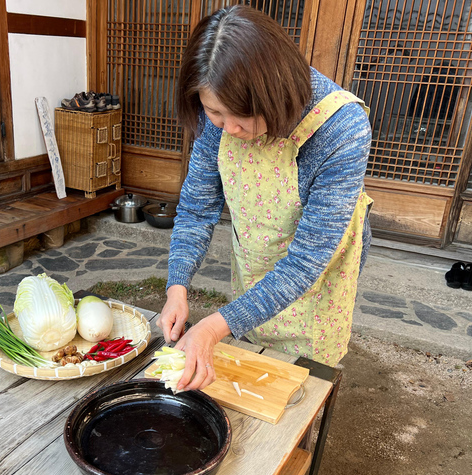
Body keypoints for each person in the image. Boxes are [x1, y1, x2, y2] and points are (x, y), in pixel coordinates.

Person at [157, 5, 373, 392]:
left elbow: (306, 262)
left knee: (301, 390)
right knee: (251, 375)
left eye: (243, 117)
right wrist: (177, 287)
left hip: (315, 283)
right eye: (215, 114)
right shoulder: (217, 111)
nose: (230, 129)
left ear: (277, 94)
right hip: (256, 264)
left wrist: (212, 326)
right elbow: (196, 208)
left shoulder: (341, 128)